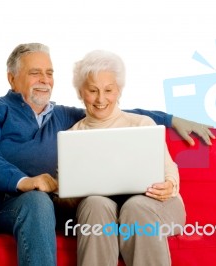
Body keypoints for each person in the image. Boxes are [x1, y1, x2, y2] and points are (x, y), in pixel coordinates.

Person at [0, 43, 213, 266]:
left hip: (18, 203)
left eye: (49, 73)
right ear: (12, 79)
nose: (44, 79)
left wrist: (171, 119)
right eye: (34, 72)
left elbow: (113, 110)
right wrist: (24, 180)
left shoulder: (65, 118)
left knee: (40, 204)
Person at [65, 50, 186, 266]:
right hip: (101, 213)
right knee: (94, 203)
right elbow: (66, 196)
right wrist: (73, 191)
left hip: (155, 206)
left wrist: (170, 184)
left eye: (108, 90)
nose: (101, 99)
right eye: (93, 90)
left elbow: (169, 169)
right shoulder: (73, 136)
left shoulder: (142, 124)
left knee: (135, 207)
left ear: (118, 91)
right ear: (81, 93)